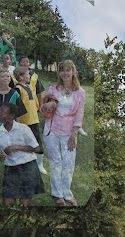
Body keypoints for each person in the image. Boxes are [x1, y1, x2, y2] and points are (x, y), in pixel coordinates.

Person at [43, 59, 86, 206]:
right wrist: (47, 105)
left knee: (68, 163)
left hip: (69, 132)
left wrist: (74, 134)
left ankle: (67, 194)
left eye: (68, 70)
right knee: (56, 162)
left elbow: (79, 114)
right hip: (52, 130)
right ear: (59, 73)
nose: (65, 73)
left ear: (73, 72)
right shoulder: (53, 88)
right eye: (62, 70)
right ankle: (58, 194)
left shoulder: (80, 92)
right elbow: (44, 109)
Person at [0, 102, 43, 206]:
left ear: (12, 115)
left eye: (3, 112)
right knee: (8, 201)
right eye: (0, 112)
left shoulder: (23, 129)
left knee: (25, 202)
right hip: (11, 168)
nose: (0, 115)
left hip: (28, 166)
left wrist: (15, 147)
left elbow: (37, 148)